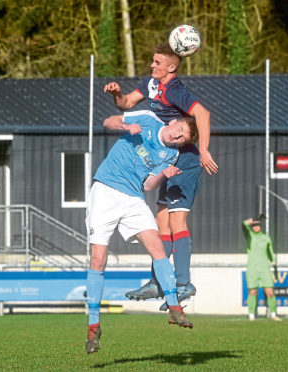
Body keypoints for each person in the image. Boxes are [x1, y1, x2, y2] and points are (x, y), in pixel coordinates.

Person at [104, 43, 218, 310]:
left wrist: (203, 149)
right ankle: (158, 280)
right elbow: (126, 103)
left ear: (172, 67)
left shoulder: (175, 89)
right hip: (169, 158)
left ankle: (183, 283)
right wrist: (117, 93)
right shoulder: (151, 84)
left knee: (177, 220)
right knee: (161, 221)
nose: (152, 65)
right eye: (152, 61)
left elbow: (203, 113)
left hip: (186, 160)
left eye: (157, 62)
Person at [85, 110, 198, 355]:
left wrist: (163, 174)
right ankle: (93, 326)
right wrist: (127, 127)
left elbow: (148, 185)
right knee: (98, 259)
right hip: (105, 190)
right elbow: (107, 120)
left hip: (133, 197)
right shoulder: (146, 119)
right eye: (178, 130)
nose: (176, 137)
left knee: (157, 246)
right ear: (173, 122)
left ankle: (174, 308)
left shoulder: (171, 154)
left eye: (181, 139)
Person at [242, 215, 281, 321]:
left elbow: (270, 251)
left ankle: (273, 314)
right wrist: (248, 221)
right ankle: (251, 315)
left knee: (270, 292)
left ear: (260, 226)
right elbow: (244, 226)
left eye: (257, 225)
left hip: (265, 268)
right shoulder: (249, 235)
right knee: (252, 292)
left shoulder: (266, 237)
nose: (256, 227)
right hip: (252, 268)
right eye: (254, 225)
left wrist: (273, 262)